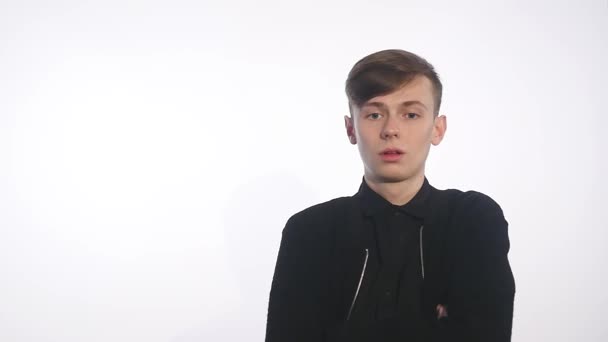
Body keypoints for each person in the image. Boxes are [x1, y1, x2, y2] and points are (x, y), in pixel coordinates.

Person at [265, 49, 515, 342]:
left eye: (410, 114)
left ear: (437, 128)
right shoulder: (310, 230)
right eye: (374, 114)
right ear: (351, 128)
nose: (391, 130)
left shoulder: (472, 219)